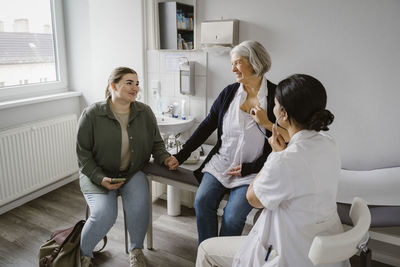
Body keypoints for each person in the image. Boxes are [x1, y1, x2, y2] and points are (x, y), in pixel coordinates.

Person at [196, 74, 350, 267]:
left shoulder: (285, 160)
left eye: (275, 105)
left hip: (290, 252)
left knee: (206, 249)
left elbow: (253, 198)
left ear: (283, 114)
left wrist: (274, 155)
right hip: (324, 247)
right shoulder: (329, 144)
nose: (272, 108)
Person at [170, 40, 286, 245]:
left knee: (232, 216)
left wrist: (266, 124)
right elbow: (206, 126)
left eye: (238, 63)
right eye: (232, 63)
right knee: (202, 202)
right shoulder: (229, 93)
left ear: (254, 63)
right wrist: (181, 155)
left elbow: (286, 140)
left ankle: (223, 258)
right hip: (222, 164)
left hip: (253, 171)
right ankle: (208, 255)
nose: (232, 68)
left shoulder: (276, 97)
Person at [76, 67, 178, 267]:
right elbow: (83, 155)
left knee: (140, 207)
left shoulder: (145, 112)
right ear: (113, 85)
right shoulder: (91, 115)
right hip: (97, 174)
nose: (135, 88)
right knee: (105, 214)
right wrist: (99, 178)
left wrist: (166, 158)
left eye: (137, 83)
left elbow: (157, 144)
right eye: (129, 83)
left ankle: (136, 251)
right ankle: (83, 255)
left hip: (131, 173)